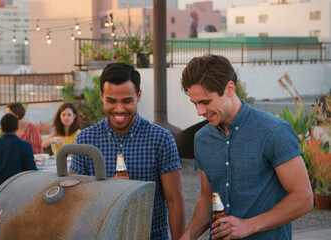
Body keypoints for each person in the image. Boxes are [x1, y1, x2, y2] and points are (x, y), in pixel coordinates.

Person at [179, 54, 313, 240]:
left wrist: (248, 226)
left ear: (230, 88)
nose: (199, 112)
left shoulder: (274, 131)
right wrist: (188, 235)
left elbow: (303, 198)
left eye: (205, 102)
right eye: (195, 103)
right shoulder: (202, 138)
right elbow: (207, 197)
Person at [70, 63, 185, 240]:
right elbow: (74, 198)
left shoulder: (161, 139)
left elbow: (174, 200)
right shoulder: (86, 140)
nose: (119, 109)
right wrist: (108, 190)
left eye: (126, 101)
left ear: (138, 96)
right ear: (101, 96)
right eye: (111, 101)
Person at [0, 114, 37, 196]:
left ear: (1, 128)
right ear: (17, 128)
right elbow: (32, 171)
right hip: (18, 192)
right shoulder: (25, 146)